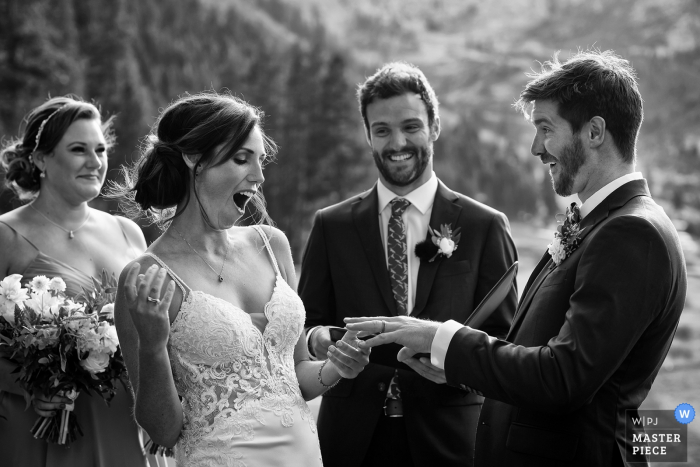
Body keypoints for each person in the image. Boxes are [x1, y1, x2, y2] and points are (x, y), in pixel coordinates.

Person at [346, 50, 688, 467]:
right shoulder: (602, 223)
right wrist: (456, 366)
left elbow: (563, 377)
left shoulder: (631, 233)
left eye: (546, 129)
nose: (535, 148)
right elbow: (534, 352)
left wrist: (442, 338)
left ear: (595, 131)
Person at [110, 92, 370, 467]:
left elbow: (296, 374)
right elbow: (163, 432)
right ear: (193, 159)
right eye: (241, 158)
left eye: (260, 160)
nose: (259, 176)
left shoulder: (271, 245)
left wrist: (336, 368)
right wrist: (152, 346)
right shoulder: (147, 276)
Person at [298, 62, 518, 467]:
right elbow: (303, 325)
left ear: (435, 127)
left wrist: (457, 369)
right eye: (381, 130)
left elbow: (506, 342)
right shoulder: (332, 226)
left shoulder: (485, 226)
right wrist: (321, 342)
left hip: (452, 442)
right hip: (351, 442)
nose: (397, 142)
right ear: (367, 136)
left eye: (410, 126)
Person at [0, 96, 150, 466]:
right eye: (79, 149)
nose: (95, 162)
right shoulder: (6, 236)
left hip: (125, 420)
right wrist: (26, 385)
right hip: (43, 423)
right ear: (40, 159)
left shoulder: (129, 233)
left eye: (100, 149)